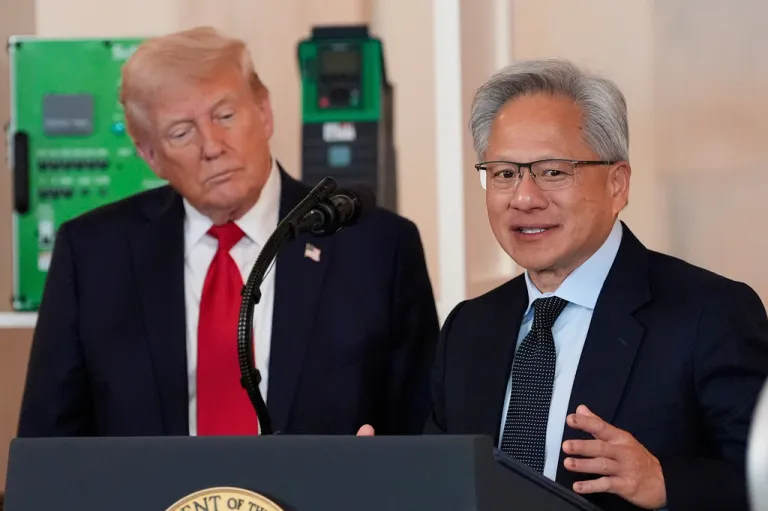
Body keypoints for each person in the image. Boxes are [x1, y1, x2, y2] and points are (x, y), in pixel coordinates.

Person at [360, 58, 768, 511]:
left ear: (617, 184)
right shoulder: (468, 328)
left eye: (553, 171)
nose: (524, 198)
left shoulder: (710, 313)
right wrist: (389, 476)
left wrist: (662, 481)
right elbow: (447, 485)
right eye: (504, 173)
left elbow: (758, 480)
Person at [17, 26, 439, 438]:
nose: (213, 146)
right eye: (181, 132)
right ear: (150, 155)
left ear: (264, 111)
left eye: (225, 115)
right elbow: (48, 451)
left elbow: (422, 439)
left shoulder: (376, 247)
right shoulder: (93, 255)